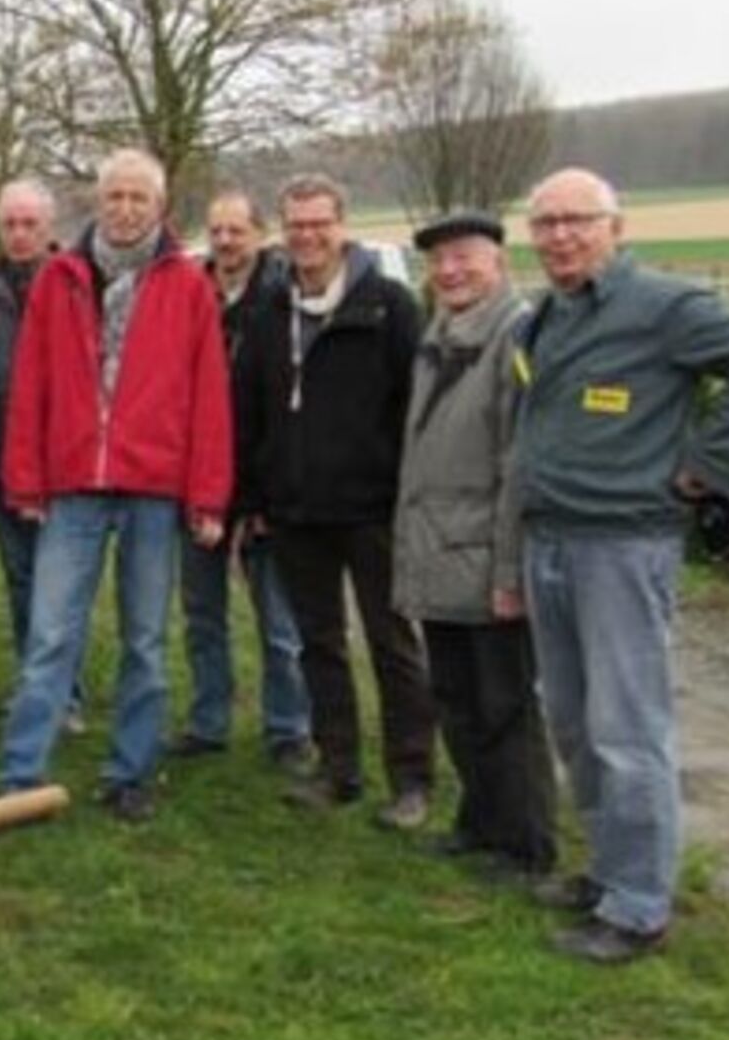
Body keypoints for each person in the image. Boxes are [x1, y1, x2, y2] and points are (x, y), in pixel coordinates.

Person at [516, 168, 729, 963]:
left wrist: (710, 469)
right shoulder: (552, 312)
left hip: (620, 545)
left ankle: (640, 906)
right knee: (572, 720)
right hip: (550, 538)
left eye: (578, 220)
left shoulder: (662, 307)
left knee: (627, 727)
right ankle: (609, 872)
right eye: (544, 224)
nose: (560, 236)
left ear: (618, 226)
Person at [0, 150, 230, 820]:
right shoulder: (59, 279)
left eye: (138, 198)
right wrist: (26, 478)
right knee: (50, 633)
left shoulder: (188, 287)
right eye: (114, 196)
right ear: (97, 203)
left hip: (154, 484)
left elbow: (209, 396)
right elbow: (29, 386)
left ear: (160, 207)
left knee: (146, 639)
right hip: (73, 482)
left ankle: (131, 770)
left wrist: (207, 493)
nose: (125, 209)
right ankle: (20, 774)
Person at [236, 174, 437, 826]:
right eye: (295, 225)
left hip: (374, 508)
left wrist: (408, 491)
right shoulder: (269, 310)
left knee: (391, 642)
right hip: (296, 511)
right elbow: (251, 412)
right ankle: (339, 766)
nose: (307, 236)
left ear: (342, 225)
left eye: (319, 223)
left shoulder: (390, 305)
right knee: (317, 643)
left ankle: (411, 779)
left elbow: (417, 408)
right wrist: (254, 494)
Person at [391, 210, 556, 883]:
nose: (451, 271)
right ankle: (478, 822)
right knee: (456, 700)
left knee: (504, 706)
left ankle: (525, 845)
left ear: (499, 263)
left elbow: (520, 463)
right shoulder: (441, 335)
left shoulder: (516, 338)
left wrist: (510, 569)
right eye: (439, 262)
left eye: (466, 258)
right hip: (439, 555)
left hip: (487, 559)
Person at [170, 186, 313, 770]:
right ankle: (209, 720)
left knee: (279, 620)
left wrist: (262, 495)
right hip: (196, 476)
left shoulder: (283, 301)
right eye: (218, 230)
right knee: (202, 612)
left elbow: (284, 409)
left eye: (238, 230)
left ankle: (289, 729)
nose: (226, 242)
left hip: (263, 485)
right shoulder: (188, 294)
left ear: (260, 234)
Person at [0, 176, 85, 734]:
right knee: (20, 576)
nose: (19, 233)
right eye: (10, 223)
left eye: (30, 223)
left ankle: (67, 693)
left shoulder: (78, 283)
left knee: (60, 580)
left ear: (49, 227)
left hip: (65, 459)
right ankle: (35, 684)